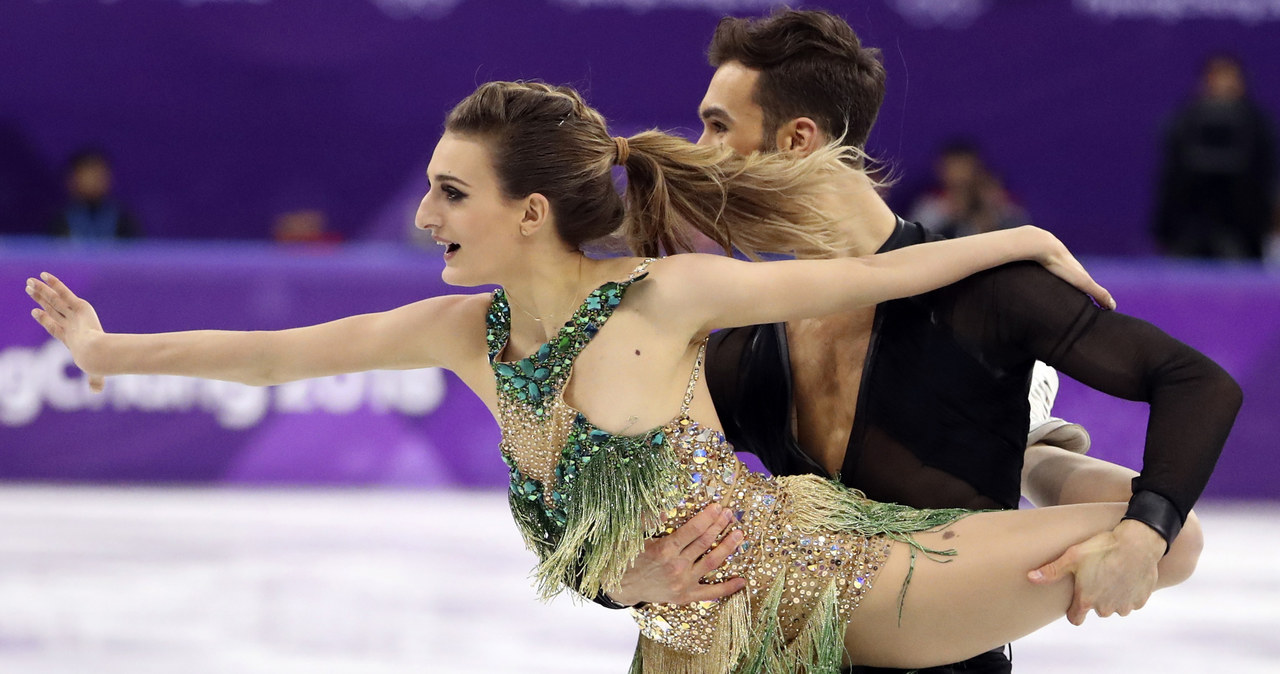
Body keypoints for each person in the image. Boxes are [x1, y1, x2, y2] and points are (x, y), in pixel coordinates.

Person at [26, 81, 1209, 672]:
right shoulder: (462, 333)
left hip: (825, 579)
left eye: (451, 191)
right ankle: (1040, 459)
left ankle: (1041, 459)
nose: (426, 210)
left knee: (1165, 536)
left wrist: (1025, 241)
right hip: (685, 643)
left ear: (526, 211)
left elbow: (873, 279)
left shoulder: (660, 296)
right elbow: (275, 353)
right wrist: (105, 350)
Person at [603, 10, 1241, 674]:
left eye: (717, 126)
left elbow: (1194, 381)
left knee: (1172, 535)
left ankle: (1030, 452)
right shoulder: (747, 348)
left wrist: (1143, 535)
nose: (698, 153)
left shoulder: (987, 294)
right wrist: (622, 585)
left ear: (797, 139)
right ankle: (1030, 449)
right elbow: (613, 507)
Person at [1153, 53, 1276, 260]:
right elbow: (1170, 180)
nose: (1223, 85)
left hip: (1244, 230)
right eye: (1217, 77)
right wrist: (1165, 229)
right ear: (1205, 82)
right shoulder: (1184, 122)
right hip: (1189, 230)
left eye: (1230, 78)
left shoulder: (1259, 127)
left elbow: (1267, 178)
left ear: (1241, 82)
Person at [907, 140, 1029, 239]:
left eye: (964, 166)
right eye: (952, 166)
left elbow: (1022, 233)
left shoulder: (1000, 202)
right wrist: (952, 216)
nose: (959, 174)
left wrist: (990, 212)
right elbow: (916, 242)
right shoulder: (930, 205)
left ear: (976, 167)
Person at [48, 148, 142, 240]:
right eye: (86, 174)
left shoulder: (123, 221)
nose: (92, 180)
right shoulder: (59, 222)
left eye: (98, 174)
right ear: (72, 179)